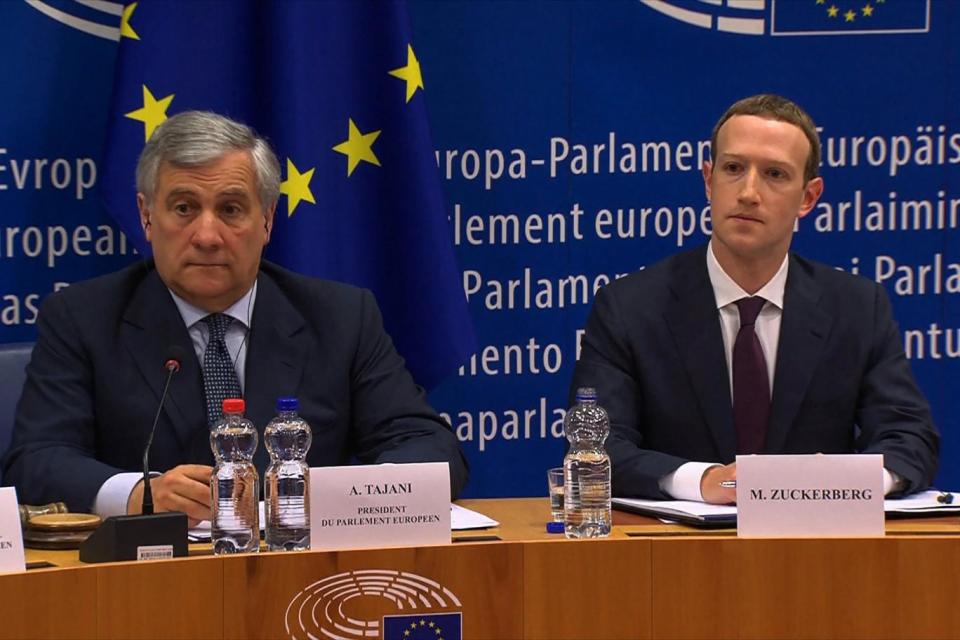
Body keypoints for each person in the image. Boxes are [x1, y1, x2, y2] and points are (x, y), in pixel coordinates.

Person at [3, 111, 468, 522]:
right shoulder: (83, 318)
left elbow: (430, 447)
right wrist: (141, 494)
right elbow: (37, 460)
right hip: (146, 582)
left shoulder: (341, 317)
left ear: (266, 220)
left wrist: (339, 498)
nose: (207, 235)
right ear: (146, 217)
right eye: (184, 208)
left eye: (230, 209)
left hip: (298, 570)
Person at [570, 94, 938, 504]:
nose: (748, 192)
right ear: (708, 180)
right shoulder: (629, 308)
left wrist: (844, 484)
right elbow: (595, 449)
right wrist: (708, 481)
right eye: (733, 168)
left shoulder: (856, 309)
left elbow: (910, 440)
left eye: (775, 174)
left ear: (808, 198)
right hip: (676, 553)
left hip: (819, 553)